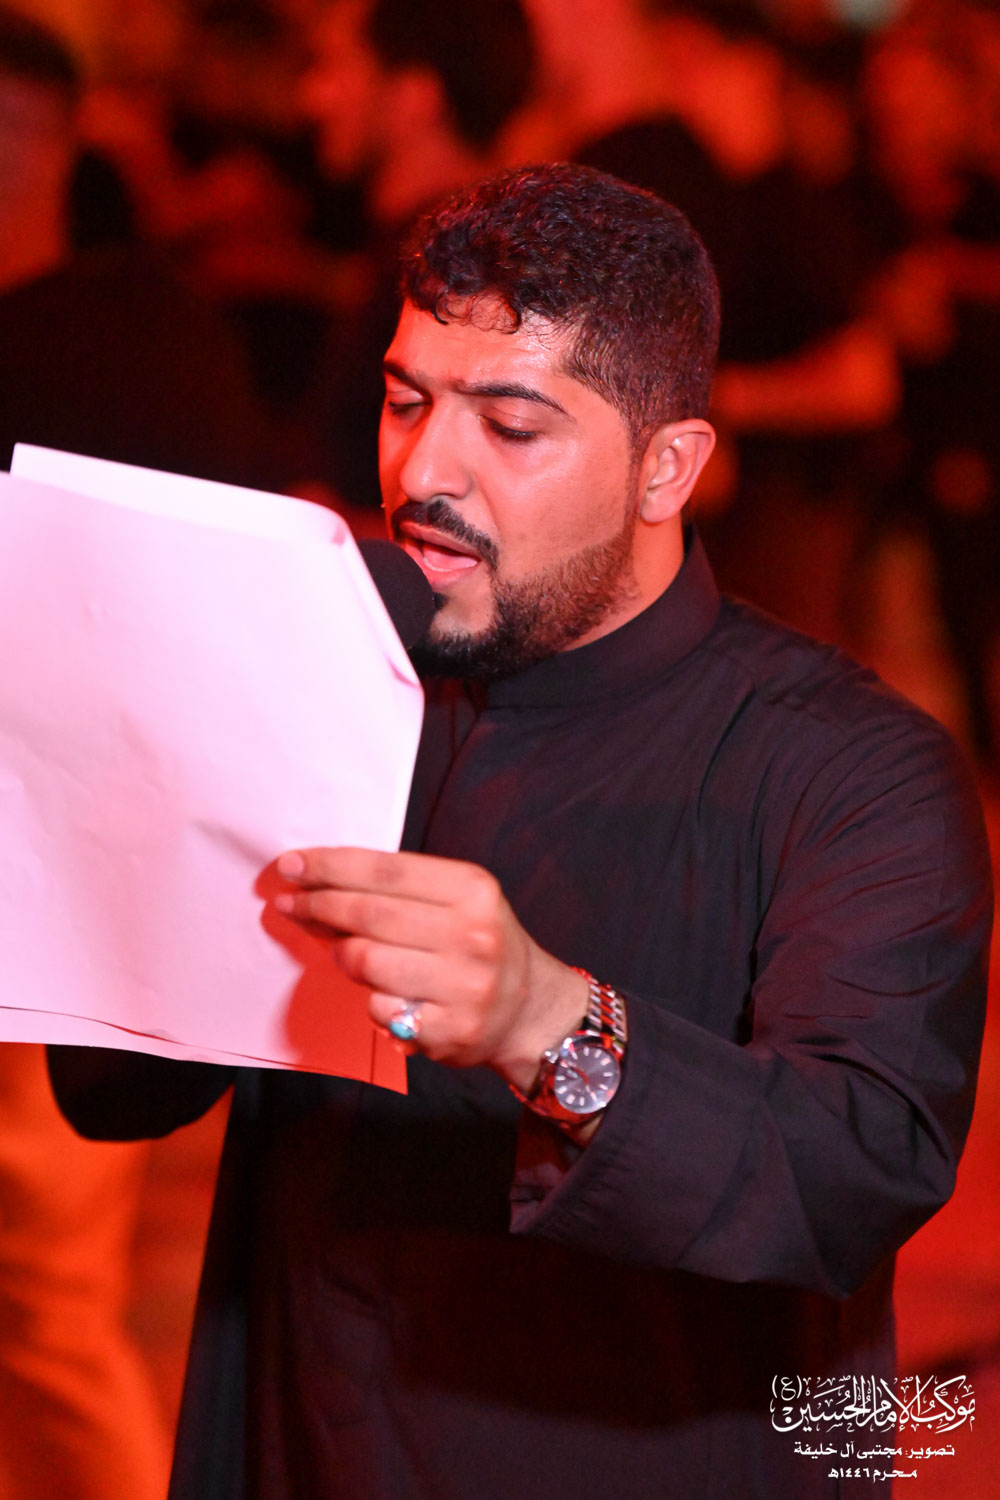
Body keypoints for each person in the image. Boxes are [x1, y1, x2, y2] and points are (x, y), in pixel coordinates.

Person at [49, 163, 992, 1499]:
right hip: (305, 1435)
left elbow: (854, 1168)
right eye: (404, 401)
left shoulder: (849, 767)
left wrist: (553, 1024)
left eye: (509, 424)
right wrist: (129, 797)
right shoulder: (330, 666)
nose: (423, 471)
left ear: (668, 467)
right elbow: (116, 1090)